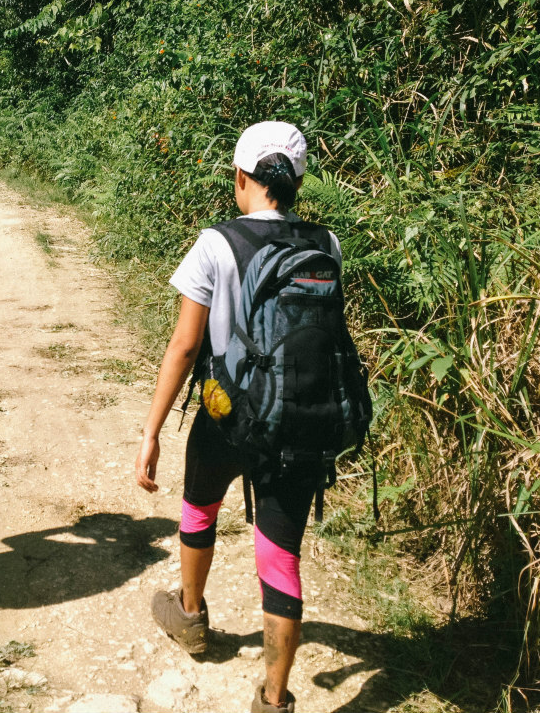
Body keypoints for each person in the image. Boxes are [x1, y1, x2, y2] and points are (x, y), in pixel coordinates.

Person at [134, 121, 342, 713]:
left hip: (226, 416)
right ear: (297, 181)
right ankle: (274, 698)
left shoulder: (215, 243)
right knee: (280, 555)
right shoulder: (327, 244)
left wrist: (151, 432)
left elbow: (183, 346)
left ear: (241, 177)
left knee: (201, 506)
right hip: (296, 422)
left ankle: (191, 614)